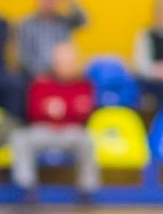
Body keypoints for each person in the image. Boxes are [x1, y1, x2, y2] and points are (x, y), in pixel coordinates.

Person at [10, 42, 99, 200]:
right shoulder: (41, 83)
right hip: (44, 130)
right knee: (20, 138)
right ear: (54, 63)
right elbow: (33, 112)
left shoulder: (84, 85)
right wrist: (66, 109)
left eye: (69, 62)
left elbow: (85, 113)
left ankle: (87, 190)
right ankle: (27, 187)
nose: (65, 66)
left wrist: (59, 109)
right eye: (61, 62)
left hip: (72, 132)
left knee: (88, 140)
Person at [18, 0, 87, 80]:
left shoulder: (64, 21)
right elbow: (25, 56)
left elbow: (83, 20)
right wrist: (42, 74)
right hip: (36, 75)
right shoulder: (26, 24)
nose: (49, 1)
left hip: (64, 72)